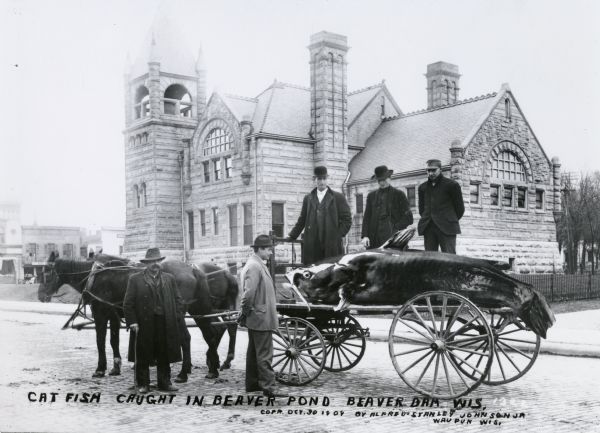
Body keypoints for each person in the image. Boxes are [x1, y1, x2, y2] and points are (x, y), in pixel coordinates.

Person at [123, 247, 183, 394]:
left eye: (157, 261)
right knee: (143, 352)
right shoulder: (135, 279)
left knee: (164, 353)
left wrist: (176, 316)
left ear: (160, 262)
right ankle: (143, 384)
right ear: (146, 264)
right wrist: (133, 322)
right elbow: (127, 303)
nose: (155, 264)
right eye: (151, 262)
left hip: (165, 322)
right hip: (144, 323)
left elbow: (178, 299)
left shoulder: (169, 279)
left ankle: (165, 383)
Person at [238, 235, 282, 397]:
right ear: (260, 249)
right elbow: (248, 295)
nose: (270, 253)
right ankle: (269, 388)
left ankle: (253, 384)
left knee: (254, 352)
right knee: (264, 354)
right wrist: (244, 312)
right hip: (260, 317)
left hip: (259, 316)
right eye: (269, 249)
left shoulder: (257, 264)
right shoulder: (254, 266)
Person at [288, 166, 352, 265]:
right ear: (314, 179)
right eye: (319, 179)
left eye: (324, 178)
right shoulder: (308, 198)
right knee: (313, 273)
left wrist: (338, 235)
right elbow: (302, 219)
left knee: (330, 272)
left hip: (331, 243)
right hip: (313, 243)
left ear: (327, 179)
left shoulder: (338, 197)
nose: (322, 182)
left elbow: (347, 220)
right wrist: (292, 235)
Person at [417, 159, 465, 254]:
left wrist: (448, 219)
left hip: (447, 228)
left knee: (449, 259)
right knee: (430, 260)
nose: (431, 173)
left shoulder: (452, 185)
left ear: (440, 169)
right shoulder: (422, 187)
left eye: (433, 170)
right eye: (428, 170)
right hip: (429, 228)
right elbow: (421, 209)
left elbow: (460, 209)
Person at [361, 165, 413, 249]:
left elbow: (408, 218)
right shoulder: (371, 196)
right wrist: (365, 236)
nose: (381, 183)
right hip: (374, 236)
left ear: (389, 178)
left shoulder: (399, 195)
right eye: (379, 180)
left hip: (393, 235)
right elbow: (367, 217)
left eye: (384, 180)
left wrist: (396, 228)